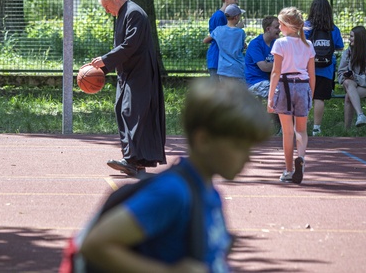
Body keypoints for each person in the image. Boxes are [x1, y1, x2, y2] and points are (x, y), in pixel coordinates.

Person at [79, 78, 273, 271]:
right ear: (203, 140)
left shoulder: (209, 192)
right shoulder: (173, 192)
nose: (248, 158)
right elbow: (95, 244)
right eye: (239, 146)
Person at [90, 0, 166, 178]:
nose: (106, 11)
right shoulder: (124, 13)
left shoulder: (134, 13)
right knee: (124, 110)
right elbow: (125, 49)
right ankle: (137, 161)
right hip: (128, 73)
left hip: (140, 73)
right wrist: (103, 69)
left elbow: (130, 45)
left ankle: (132, 160)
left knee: (130, 111)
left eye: (107, 6)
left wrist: (105, 60)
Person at [267, 7, 315, 184]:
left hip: (285, 86)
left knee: (287, 132)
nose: (279, 28)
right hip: (303, 87)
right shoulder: (308, 45)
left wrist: (271, 97)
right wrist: (311, 92)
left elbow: (275, 72)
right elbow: (312, 73)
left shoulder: (280, 43)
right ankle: (300, 158)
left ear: (287, 25)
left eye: (280, 24)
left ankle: (288, 170)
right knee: (301, 129)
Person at [304, 0, 344, 135]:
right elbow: (339, 46)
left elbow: (300, 44)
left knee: (305, 96)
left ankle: (301, 125)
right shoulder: (333, 28)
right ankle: (316, 127)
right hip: (326, 69)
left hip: (307, 68)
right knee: (319, 98)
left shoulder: (307, 26)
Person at [245, 16, 281, 133]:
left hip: (271, 81)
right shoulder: (256, 44)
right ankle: (280, 126)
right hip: (255, 82)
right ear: (268, 29)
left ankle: (280, 126)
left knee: (287, 92)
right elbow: (264, 67)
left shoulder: (277, 43)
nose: (280, 29)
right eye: (277, 27)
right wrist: (281, 64)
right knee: (279, 95)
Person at [336, 26, 366, 128]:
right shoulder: (348, 51)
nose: (349, 38)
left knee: (349, 96)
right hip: (352, 84)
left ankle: (347, 129)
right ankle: (360, 115)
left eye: (351, 36)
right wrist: (347, 76)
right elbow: (340, 73)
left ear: (359, 38)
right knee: (347, 83)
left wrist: (355, 78)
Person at [203, 4, 246, 81]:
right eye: (239, 16)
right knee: (238, 92)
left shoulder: (218, 30)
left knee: (225, 92)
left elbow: (205, 40)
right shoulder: (241, 32)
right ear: (236, 17)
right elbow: (243, 46)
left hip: (223, 69)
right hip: (238, 68)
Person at [206, 0, 239, 77]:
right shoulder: (219, 16)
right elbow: (222, 37)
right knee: (216, 89)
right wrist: (237, 28)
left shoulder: (225, 16)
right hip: (217, 58)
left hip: (223, 58)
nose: (237, 2)